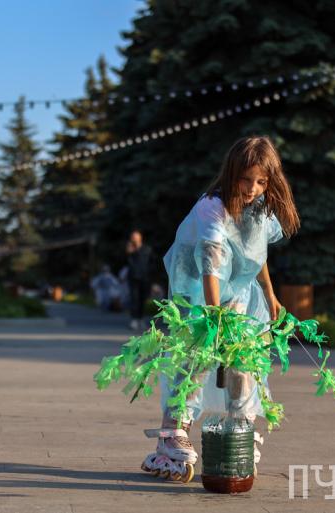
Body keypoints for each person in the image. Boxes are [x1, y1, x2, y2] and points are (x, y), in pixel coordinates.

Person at [141, 136, 300, 483]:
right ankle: (173, 432)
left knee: (243, 357)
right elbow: (211, 263)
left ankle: (240, 424)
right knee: (198, 357)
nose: (252, 189)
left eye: (261, 182)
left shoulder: (259, 206)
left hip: (237, 288)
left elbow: (255, 252)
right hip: (200, 285)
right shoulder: (211, 207)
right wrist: (214, 318)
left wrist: (269, 293)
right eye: (246, 180)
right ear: (231, 174)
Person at [126, 230, 154, 330]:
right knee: (134, 298)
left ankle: (141, 318)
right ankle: (134, 319)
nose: (134, 239)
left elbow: (151, 262)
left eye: (135, 237)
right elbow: (127, 262)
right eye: (132, 237)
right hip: (133, 278)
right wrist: (129, 252)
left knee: (143, 299)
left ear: (140, 238)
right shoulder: (130, 249)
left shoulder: (147, 249)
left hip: (145, 278)